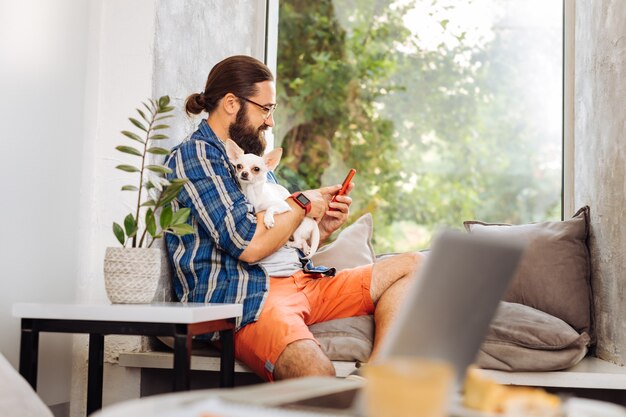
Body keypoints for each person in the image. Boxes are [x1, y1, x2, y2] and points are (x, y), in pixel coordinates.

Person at [165, 55, 423, 381]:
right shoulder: (197, 155)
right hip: (250, 298)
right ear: (231, 103)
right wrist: (301, 203)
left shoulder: (253, 160)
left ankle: (378, 377)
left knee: (413, 264)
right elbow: (249, 244)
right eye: (265, 108)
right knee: (315, 374)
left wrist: (319, 227)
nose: (270, 122)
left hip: (302, 284)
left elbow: (278, 235)